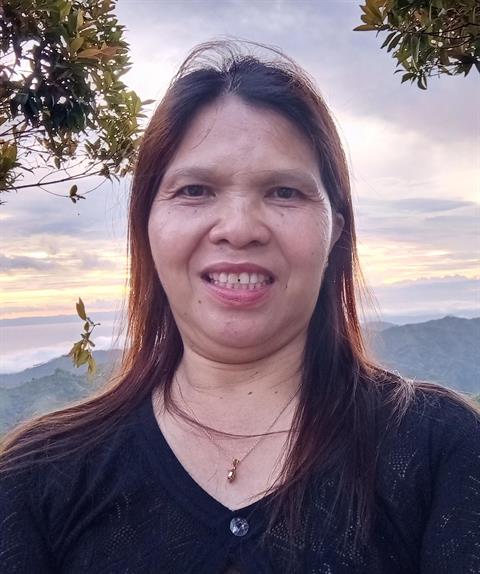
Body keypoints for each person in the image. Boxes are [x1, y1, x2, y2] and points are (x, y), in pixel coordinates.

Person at [0, 40, 479, 574]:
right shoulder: (37, 478)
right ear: (146, 226)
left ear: (335, 232)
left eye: (284, 192)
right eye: (195, 190)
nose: (239, 228)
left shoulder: (441, 450)